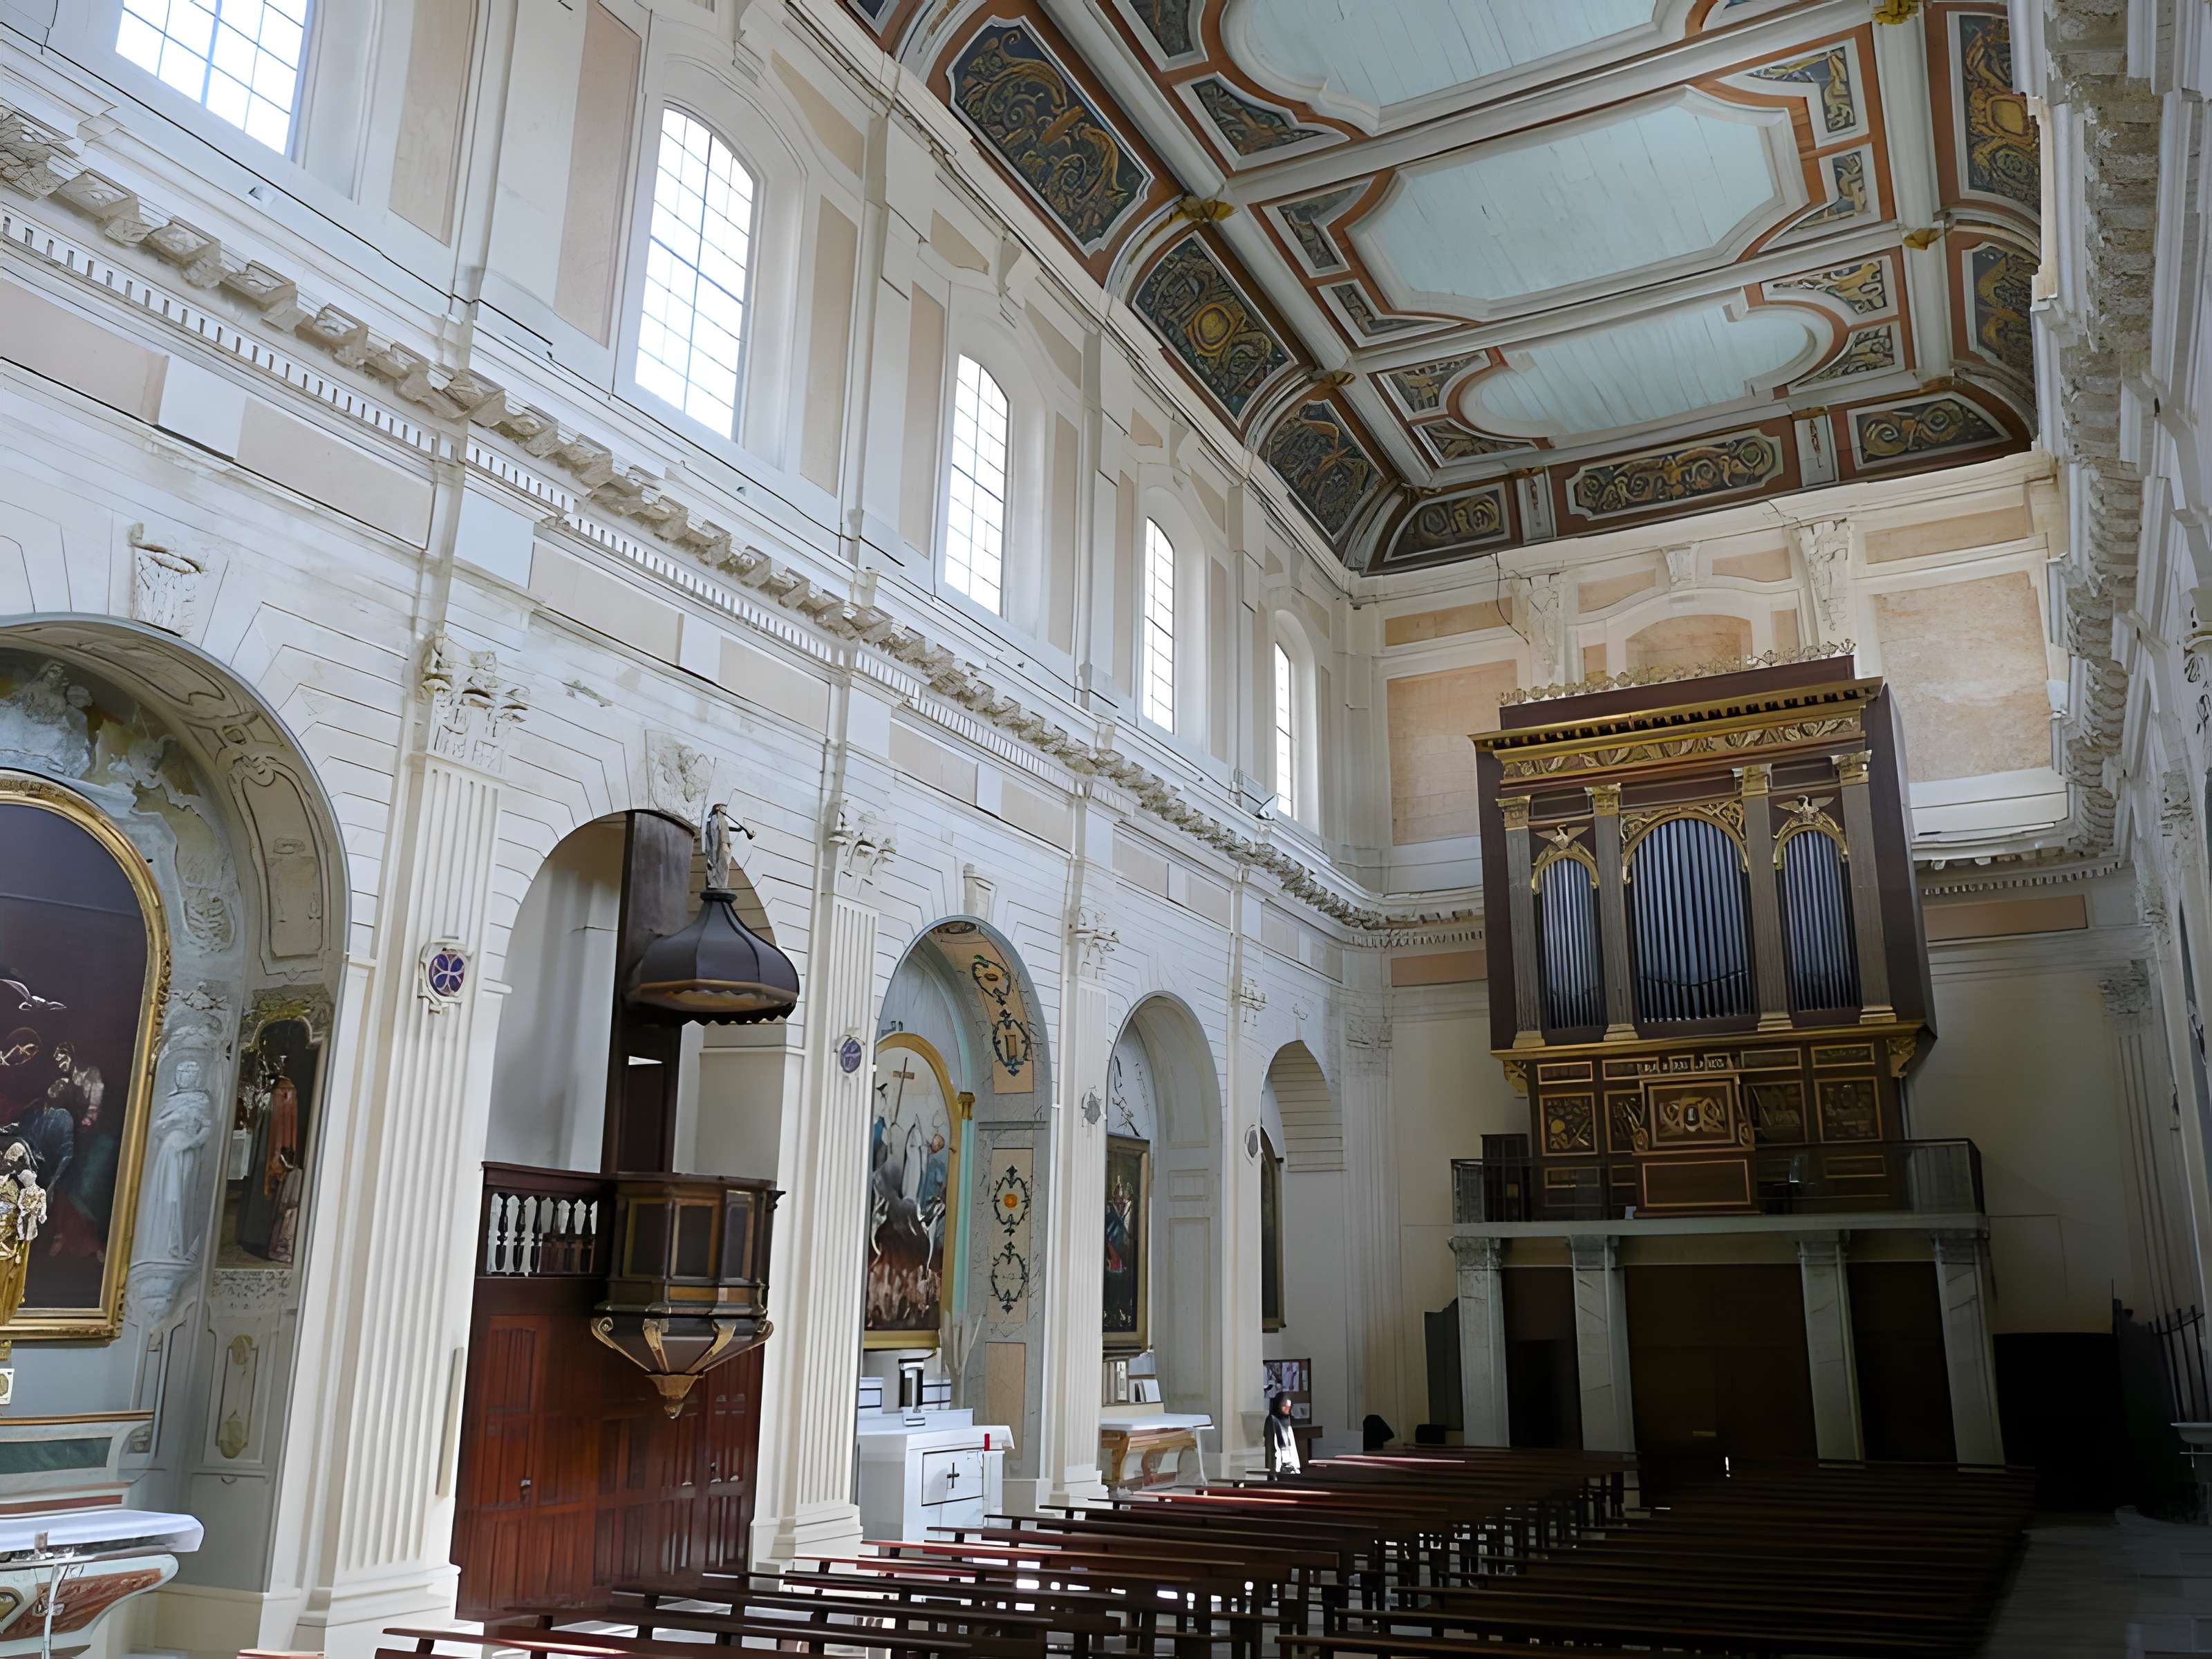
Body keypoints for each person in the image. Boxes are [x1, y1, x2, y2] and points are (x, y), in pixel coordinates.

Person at [1264, 1389, 1302, 1477]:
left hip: (1290, 1464)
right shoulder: (1272, 1420)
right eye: (1284, 1405)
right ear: (1278, 1405)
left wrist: (1296, 1466)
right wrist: (1273, 1470)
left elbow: (1292, 1445)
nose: (1288, 1407)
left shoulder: (1287, 1420)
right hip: (1279, 1465)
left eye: (1289, 1405)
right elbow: (1272, 1447)